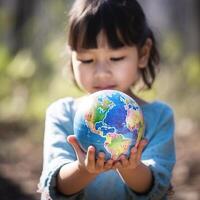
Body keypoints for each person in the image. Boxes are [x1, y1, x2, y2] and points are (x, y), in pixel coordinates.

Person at [38, 0, 176, 199]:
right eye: (86, 60)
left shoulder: (160, 117)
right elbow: (56, 187)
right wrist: (83, 169)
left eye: (116, 58)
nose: (101, 73)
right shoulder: (62, 114)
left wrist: (132, 168)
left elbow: (157, 187)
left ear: (143, 54)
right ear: (72, 57)